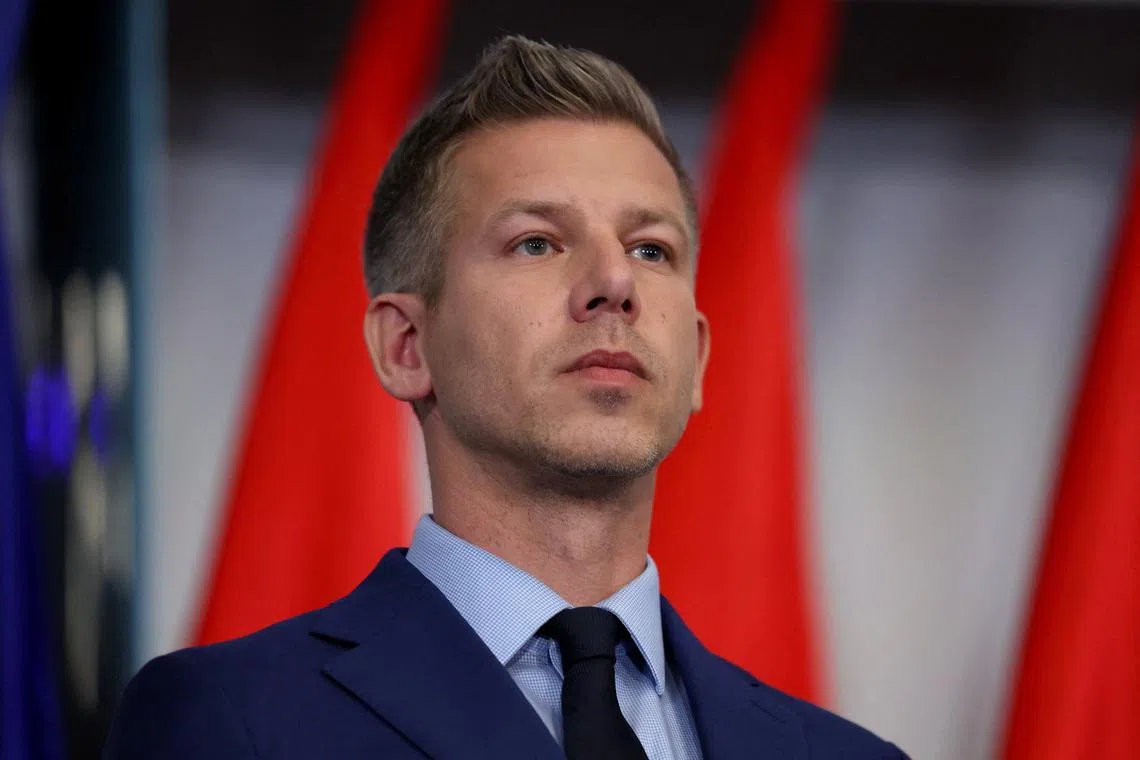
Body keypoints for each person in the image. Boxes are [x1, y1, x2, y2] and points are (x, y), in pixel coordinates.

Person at [105, 36, 908, 760]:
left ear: (696, 359)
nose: (614, 283)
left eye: (650, 248)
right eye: (537, 242)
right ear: (406, 347)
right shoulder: (233, 722)